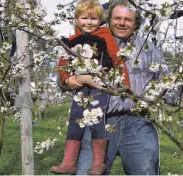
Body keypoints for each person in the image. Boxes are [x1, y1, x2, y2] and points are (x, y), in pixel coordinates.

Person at [72, 0, 183, 175]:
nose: (121, 23)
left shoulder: (149, 50)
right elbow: (64, 79)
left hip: (137, 122)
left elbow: (171, 89)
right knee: (85, 172)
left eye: (128, 19)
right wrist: (79, 79)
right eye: (117, 18)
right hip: (98, 122)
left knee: (146, 171)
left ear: (136, 23)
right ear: (109, 19)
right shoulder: (92, 44)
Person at [51, 0, 130, 174]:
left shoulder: (105, 36)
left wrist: (124, 83)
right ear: (77, 19)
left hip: (100, 84)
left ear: (100, 20)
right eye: (84, 18)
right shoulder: (71, 40)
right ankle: (69, 162)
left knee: (97, 118)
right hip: (80, 86)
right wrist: (67, 79)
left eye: (93, 19)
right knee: (76, 118)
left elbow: (118, 60)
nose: (89, 22)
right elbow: (63, 63)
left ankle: (98, 162)